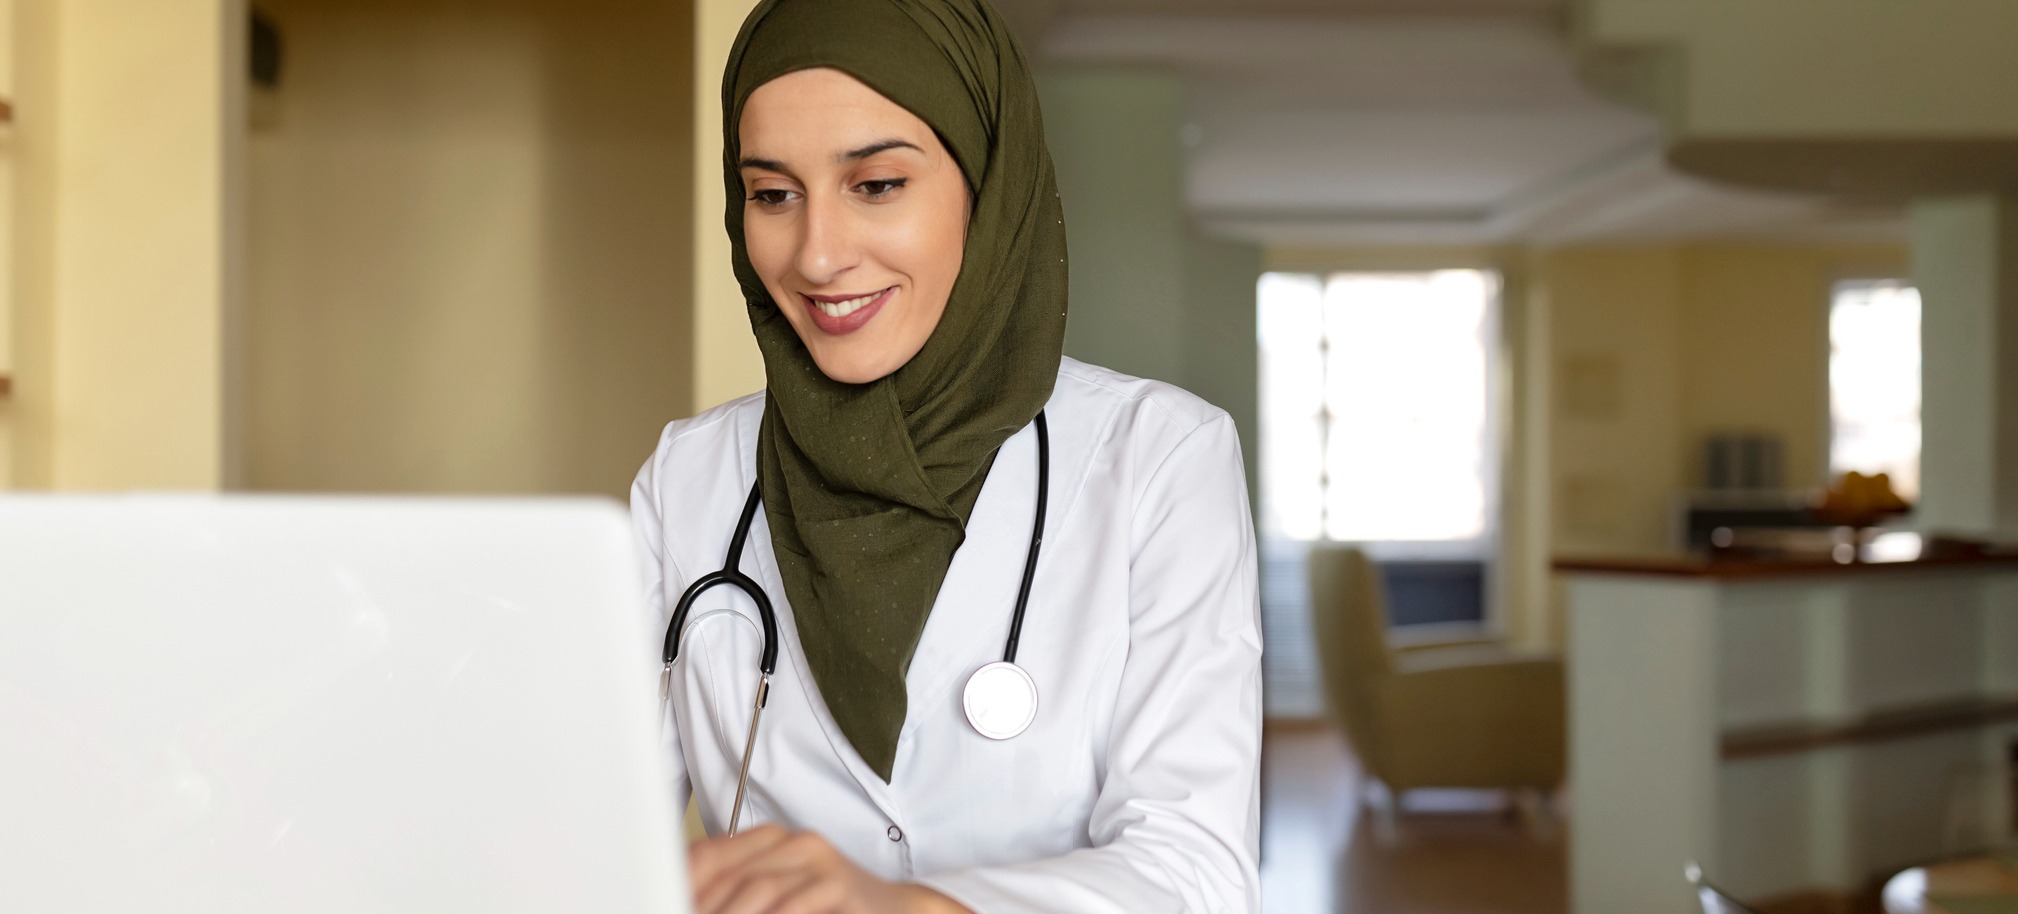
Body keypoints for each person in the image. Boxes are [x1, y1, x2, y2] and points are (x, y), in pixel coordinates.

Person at [629, 1, 1262, 911]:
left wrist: (899, 906)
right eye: (773, 194)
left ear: (987, 184)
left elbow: (1197, 874)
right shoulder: (689, 479)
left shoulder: (1158, 457)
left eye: (876, 184)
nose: (817, 255)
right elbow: (597, 830)